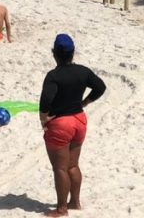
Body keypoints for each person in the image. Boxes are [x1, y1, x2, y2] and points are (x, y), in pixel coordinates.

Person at [40, 34, 106, 217]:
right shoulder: (83, 71)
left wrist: (43, 119)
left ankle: (61, 209)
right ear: (73, 53)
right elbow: (100, 87)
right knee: (73, 165)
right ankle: (75, 202)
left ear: (54, 54)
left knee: (60, 168)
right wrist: (85, 102)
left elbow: (46, 100)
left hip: (61, 124)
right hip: (79, 120)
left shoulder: (53, 76)